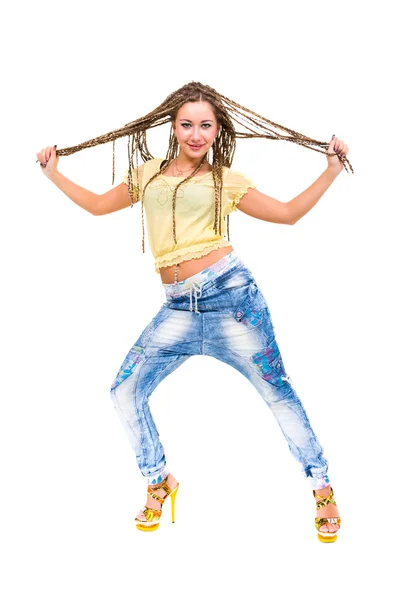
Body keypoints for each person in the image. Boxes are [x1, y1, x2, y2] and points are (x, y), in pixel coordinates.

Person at [36, 81, 351, 542]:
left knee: (277, 392)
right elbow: (100, 206)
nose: (196, 134)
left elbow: (287, 214)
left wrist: (331, 171)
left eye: (206, 125)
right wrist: (54, 175)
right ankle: (159, 479)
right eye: (187, 124)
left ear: (218, 129)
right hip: (178, 308)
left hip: (232, 299)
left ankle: (322, 488)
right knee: (124, 391)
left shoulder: (226, 180)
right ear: (173, 126)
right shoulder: (148, 175)